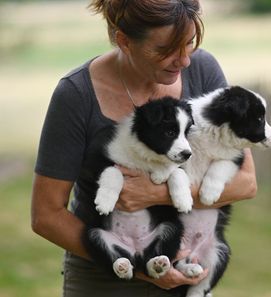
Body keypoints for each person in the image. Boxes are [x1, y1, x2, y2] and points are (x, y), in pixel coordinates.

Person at [31, 0, 257, 296]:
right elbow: (46, 215)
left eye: (188, 43)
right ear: (124, 40)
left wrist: (158, 194)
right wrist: (143, 268)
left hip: (187, 270)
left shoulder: (203, 70)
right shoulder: (76, 95)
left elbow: (246, 183)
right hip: (105, 277)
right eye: (165, 50)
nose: (183, 60)